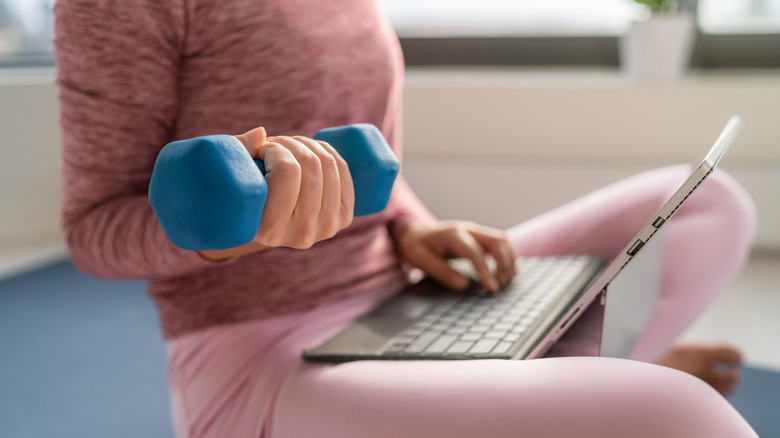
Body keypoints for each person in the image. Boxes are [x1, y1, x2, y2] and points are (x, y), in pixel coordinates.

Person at [53, 0, 757, 437]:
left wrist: (410, 225)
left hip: (402, 294)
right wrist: (234, 237)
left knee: (710, 205)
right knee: (674, 414)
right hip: (266, 357)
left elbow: (360, 156)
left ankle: (559, 378)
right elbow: (92, 232)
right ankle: (588, 378)